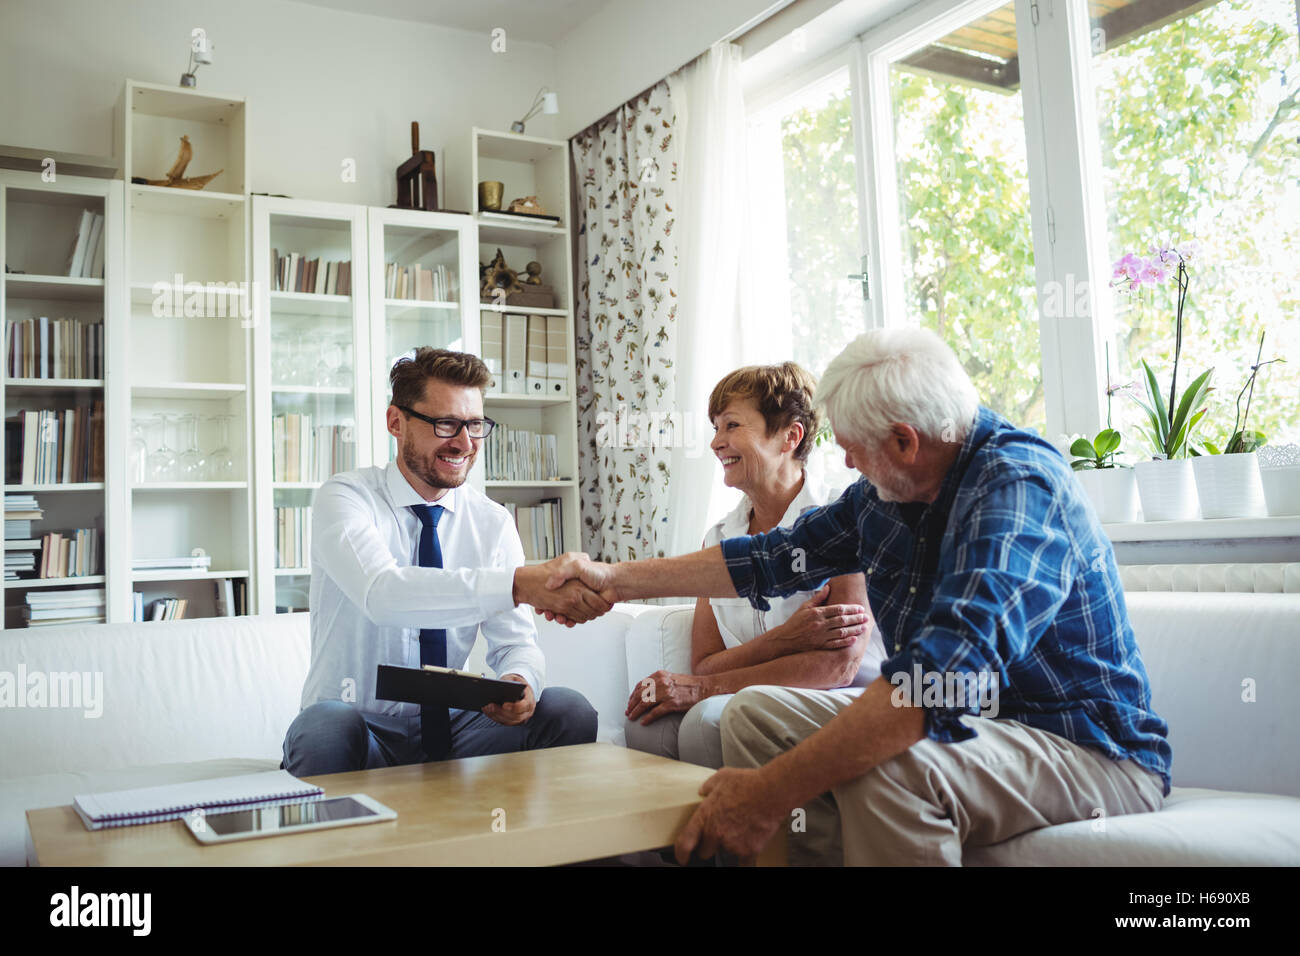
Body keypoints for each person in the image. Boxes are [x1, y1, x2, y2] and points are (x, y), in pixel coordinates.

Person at [539, 327, 1171, 866]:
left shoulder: (1016, 488)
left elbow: (939, 680)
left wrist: (768, 792)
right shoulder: (886, 496)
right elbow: (766, 559)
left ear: (904, 441)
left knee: (894, 764)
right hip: (979, 729)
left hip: (1083, 746)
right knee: (757, 715)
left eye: (852, 444)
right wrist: (613, 579)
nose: (841, 456)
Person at [282, 348, 610, 776]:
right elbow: (384, 594)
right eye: (445, 424)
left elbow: (515, 643)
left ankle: (511, 838)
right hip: (361, 726)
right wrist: (518, 584)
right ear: (396, 423)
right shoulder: (346, 498)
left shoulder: (491, 522)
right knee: (324, 725)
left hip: (458, 729)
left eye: (474, 425)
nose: (464, 443)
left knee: (567, 709)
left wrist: (519, 680)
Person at [624, 362, 886, 769]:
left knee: (707, 719)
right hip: (749, 690)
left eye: (731, 425)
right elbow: (705, 662)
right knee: (646, 725)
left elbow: (838, 665)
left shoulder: (840, 518)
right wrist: (782, 641)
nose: (715, 442)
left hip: (839, 691)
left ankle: (733, 831)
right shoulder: (719, 538)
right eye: (715, 427)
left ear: (790, 436)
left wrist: (703, 689)